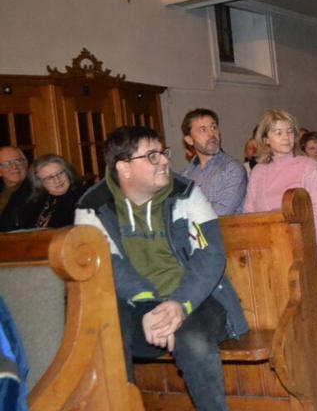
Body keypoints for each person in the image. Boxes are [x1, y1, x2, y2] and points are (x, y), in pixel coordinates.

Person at [74, 126, 248, 411]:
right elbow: (109, 266)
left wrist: (179, 305)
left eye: (163, 153)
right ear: (124, 168)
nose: (165, 161)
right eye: (152, 156)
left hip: (196, 300)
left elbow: (210, 254)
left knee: (191, 339)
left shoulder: (186, 193)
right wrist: (149, 307)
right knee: (104, 330)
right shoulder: (92, 207)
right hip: (137, 304)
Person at [243, 110, 317, 267]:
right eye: (278, 132)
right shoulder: (258, 172)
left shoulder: (308, 166)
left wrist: (287, 235)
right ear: (266, 139)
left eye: (289, 132)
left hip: (307, 242)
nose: (286, 137)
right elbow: (250, 214)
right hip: (269, 245)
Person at [180, 108, 247, 215]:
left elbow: (221, 212)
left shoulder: (232, 169)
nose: (212, 133)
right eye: (203, 129)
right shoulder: (185, 176)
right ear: (189, 140)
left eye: (214, 127)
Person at [20, 154, 86, 229]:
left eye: (60, 173)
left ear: (68, 172)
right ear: (40, 182)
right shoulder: (35, 202)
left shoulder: (83, 197)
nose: (57, 180)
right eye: (49, 178)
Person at [0, 146, 31, 232]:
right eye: (7, 164)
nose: (14, 167)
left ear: (26, 164)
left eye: (18, 161)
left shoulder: (37, 191)